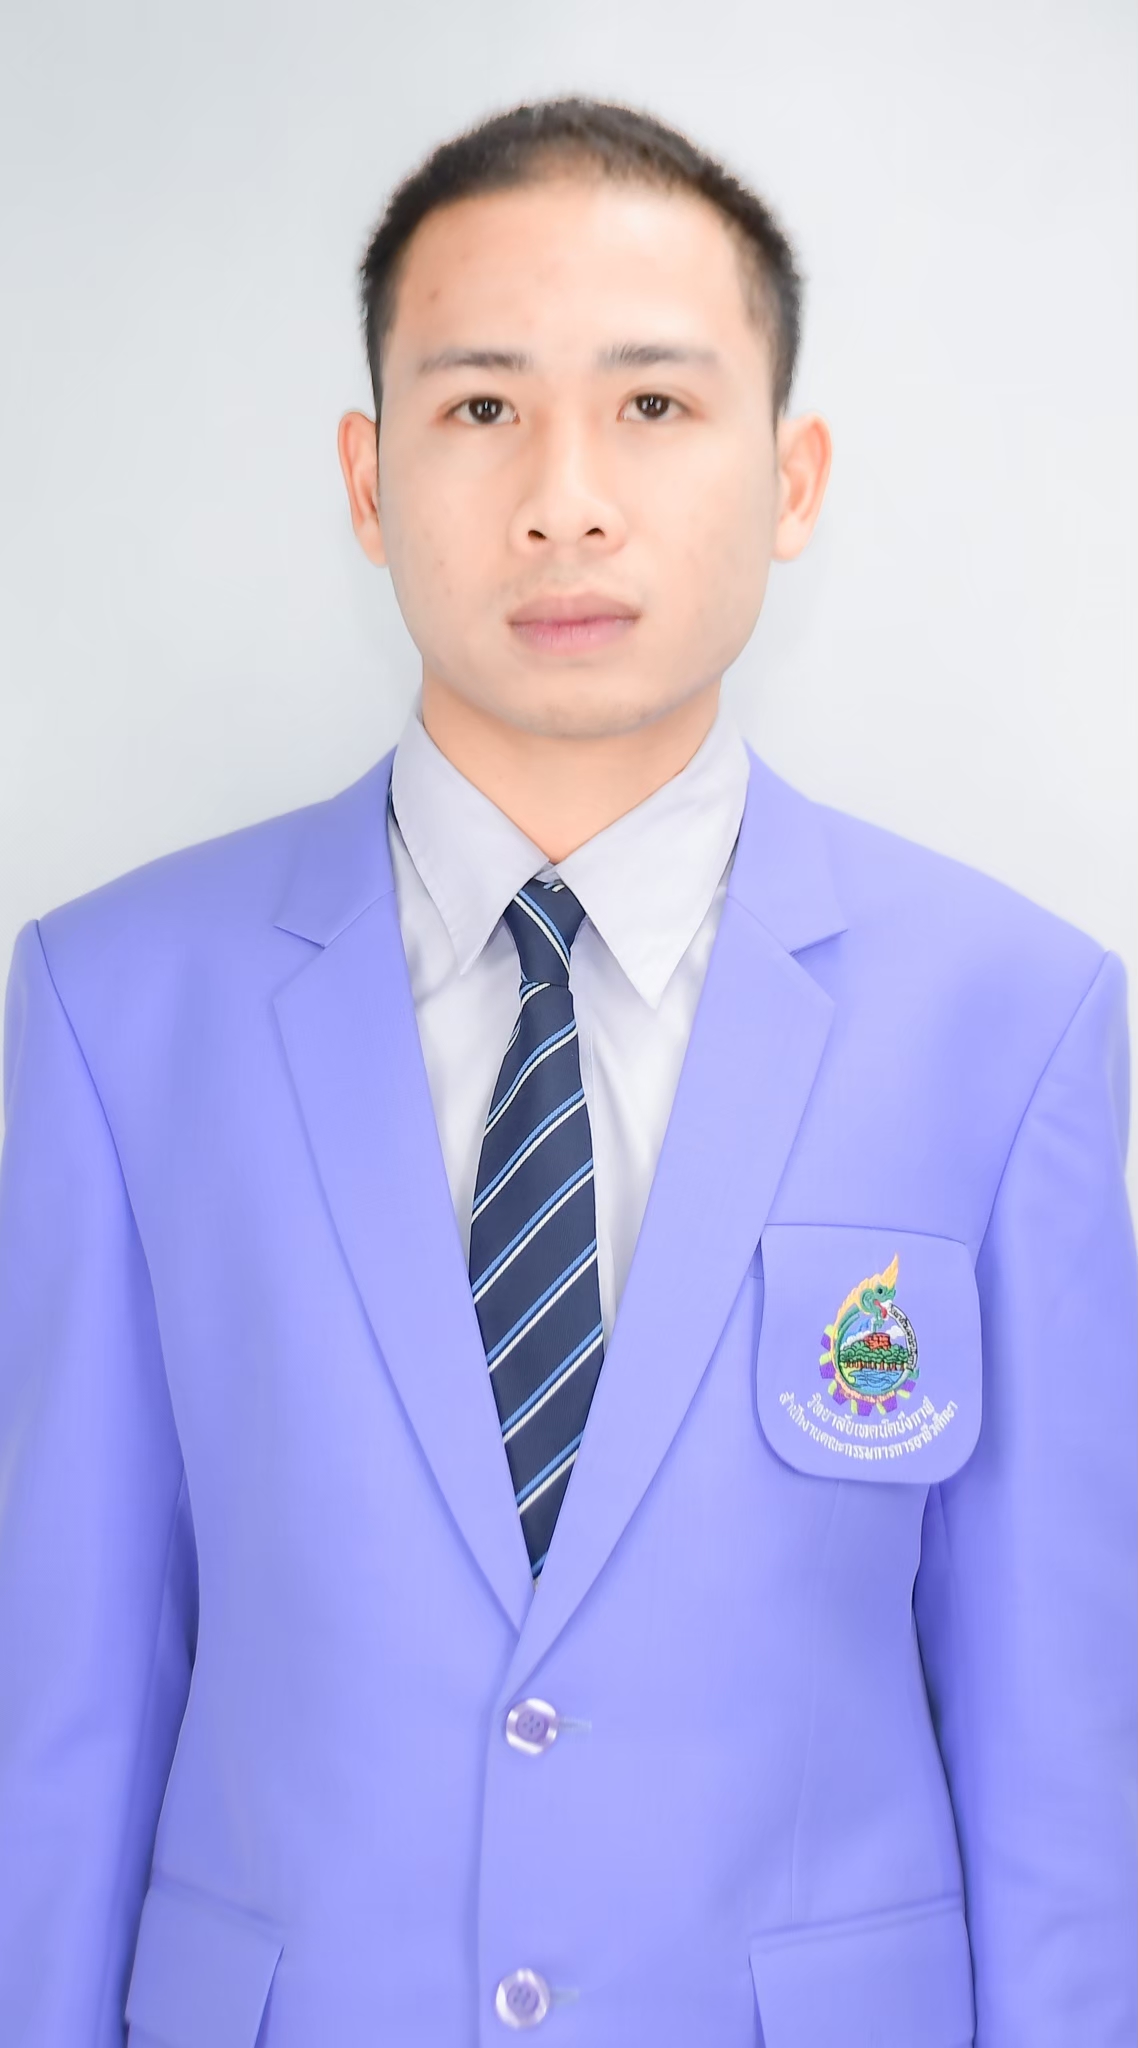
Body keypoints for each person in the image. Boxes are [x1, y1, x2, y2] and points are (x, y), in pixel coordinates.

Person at [0, 96, 1133, 2048]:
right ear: (367, 478)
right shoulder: (118, 1007)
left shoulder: (1005, 1018)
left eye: (653, 404)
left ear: (790, 476)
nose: (565, 501)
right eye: (480, 406)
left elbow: (1061, 1753)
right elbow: (65, 1704)